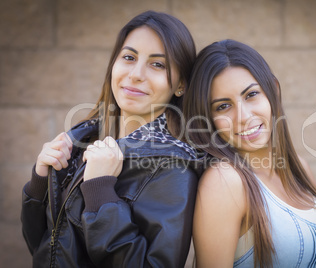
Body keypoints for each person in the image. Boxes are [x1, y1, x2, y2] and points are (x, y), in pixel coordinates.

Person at [21, 10, 205, 268]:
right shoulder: (82, 140)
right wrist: (40, 182)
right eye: (129, 57)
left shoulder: (172, 167)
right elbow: (43, 247)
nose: (136, 74)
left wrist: (101, 191)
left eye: (157, 64)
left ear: (180, 85)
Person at [183, 39, 316, 267]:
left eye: (251, 95)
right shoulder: (224, 181)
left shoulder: (298, 170)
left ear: (273, 90)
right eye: (223, 106)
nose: (244, 116)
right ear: (208, 119)